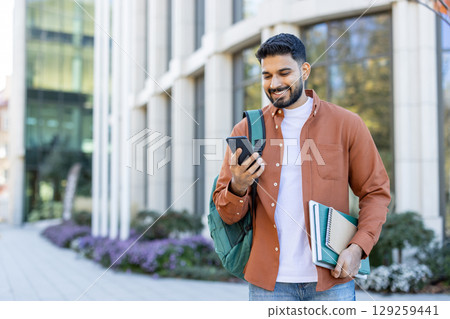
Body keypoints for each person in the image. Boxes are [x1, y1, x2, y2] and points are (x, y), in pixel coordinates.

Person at [212, 33, 391, 301]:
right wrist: (238, 185)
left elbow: (375, 192)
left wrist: (358, 247)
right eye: (266, 75)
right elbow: (227, 214)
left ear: (304, 70)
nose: (274, 83)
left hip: (333, 281)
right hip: (269, 286)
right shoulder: (247, 130)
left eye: (284, 73)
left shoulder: (347, 124)